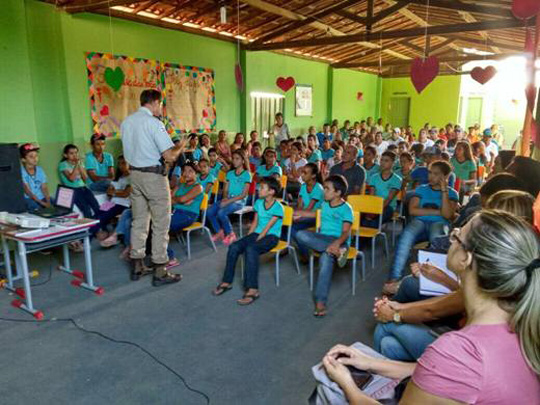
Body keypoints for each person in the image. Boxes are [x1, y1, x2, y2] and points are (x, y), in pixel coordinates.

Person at [322, 210, 540, 404]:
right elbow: (440, 373)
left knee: (328, 391)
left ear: (466, 258)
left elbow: (448, 363)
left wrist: (346, 383)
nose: (451, 240)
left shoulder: (458, 351)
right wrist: (370, 363)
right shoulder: (524, 321)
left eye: (456, 237)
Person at [120, 89, 186, 286]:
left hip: (134, 175)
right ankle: (160, 269)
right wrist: (182, 145)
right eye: (160, 104)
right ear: (155, 102)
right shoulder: (154, 123)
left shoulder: (126, 122)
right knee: (161, 222)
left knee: (139, 220)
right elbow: (170, 156)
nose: (161, 108)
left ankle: (137, 264)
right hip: (153, 177)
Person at [384, 161, 458, 295]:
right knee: (406, 236)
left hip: (439, 224)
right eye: (430, 172)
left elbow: (447, 215)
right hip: (420, 222)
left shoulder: (452, 193)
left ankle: (434, 281)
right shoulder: (421, 189)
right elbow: (413, 210)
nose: (431, 176)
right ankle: (394, 278)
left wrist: (444, 190)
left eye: (436, 174)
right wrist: (437, 212)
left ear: (445, 177)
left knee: (437, 237)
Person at [212, 177, 284, 305]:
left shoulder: (278, 207)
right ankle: (226, 281)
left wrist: (253, 241)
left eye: (262, 188)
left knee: (251, 249)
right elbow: (256, 222)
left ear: (271, 191)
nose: (258, 190)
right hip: (257, 233)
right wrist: (248, 237)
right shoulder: (258, 203)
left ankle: (253, 289)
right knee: (234, 246)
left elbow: (267, 228)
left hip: (271, 236)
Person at [295, 175, 353, 317]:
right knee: (300, 234)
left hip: (339, 240)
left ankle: (320, 302)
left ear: (338, 192)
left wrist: (336, 243)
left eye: (327, 189)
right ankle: (337, 252)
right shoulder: (325, 204)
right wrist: (300, 214)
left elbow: (346, 232)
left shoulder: (346, 209)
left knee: (325, 259)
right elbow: (316, 214)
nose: (324, 191)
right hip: (323, 239)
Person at [208, 149, 251, 245]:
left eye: (237, 159)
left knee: (221, 212)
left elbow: (243, 195)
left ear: (243, 160)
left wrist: (227, 202)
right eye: (233, 158)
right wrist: (224, 198)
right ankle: (219, 231)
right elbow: (225, 190)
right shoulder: (230, 173)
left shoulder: (246, 175)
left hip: (239, 201)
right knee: (209, 211)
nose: (234, 161)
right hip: (228, 199)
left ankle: (231, 233)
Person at [58, 144, 101, 221]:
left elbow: (85, 178)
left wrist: (80, 165)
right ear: (65, 155)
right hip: (73, 190)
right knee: (86, 209)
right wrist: (77, 165)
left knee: (96, 207)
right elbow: (71, 178)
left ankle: (100, 227)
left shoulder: (80, 163)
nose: (74, 155)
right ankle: (91, 229)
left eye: (76, 153)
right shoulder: (63, 165)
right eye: (71, 153)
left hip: (83, 188)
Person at [291, 163, 324, 256]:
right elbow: (300, 205)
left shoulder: (318, 188)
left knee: (292, 227)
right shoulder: (303, 186)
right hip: (305, 214)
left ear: (313, 175)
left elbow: (309, 209)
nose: (302, 175)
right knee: (288, 225)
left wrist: (297, 215)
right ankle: (302, 248)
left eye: (305, 173)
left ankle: (305, 253)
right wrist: (296, 215)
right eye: (302, 172)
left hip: (315, 217)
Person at [365, 151, 401, 226]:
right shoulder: (374, 177)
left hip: (388, 207)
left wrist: (376, 211)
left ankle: (370, 236)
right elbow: (372, 196)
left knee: (373, 223)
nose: (382, 163)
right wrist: (372, 210)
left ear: (393, 163)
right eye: (381, 160)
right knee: (361, 220)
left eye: (386, 161)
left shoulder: (397, 180)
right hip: (374, 205)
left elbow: (389, 199)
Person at [170, 162, 204, 233]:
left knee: (161, 226)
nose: (186, 173)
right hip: (174, 212)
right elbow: (168, 200)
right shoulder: (179, 185)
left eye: (190, 171)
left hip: (188, 215)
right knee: (154, 222)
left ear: (196, 174)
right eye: (184, 171)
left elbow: (182, 199)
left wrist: (178, 200)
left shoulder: (198, 187)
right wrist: (181, 201)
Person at [19, 143, 51, 211]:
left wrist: (48, 201)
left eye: (36, 156)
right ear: (23, 159)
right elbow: (28, 192)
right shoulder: (21, 172)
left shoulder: (40, 170)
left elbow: (44, 187)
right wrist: (42, 203)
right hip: (30, 198)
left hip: (41, 197)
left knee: (57, 204)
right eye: (31, 156)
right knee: (37, 208)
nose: (35, 158)